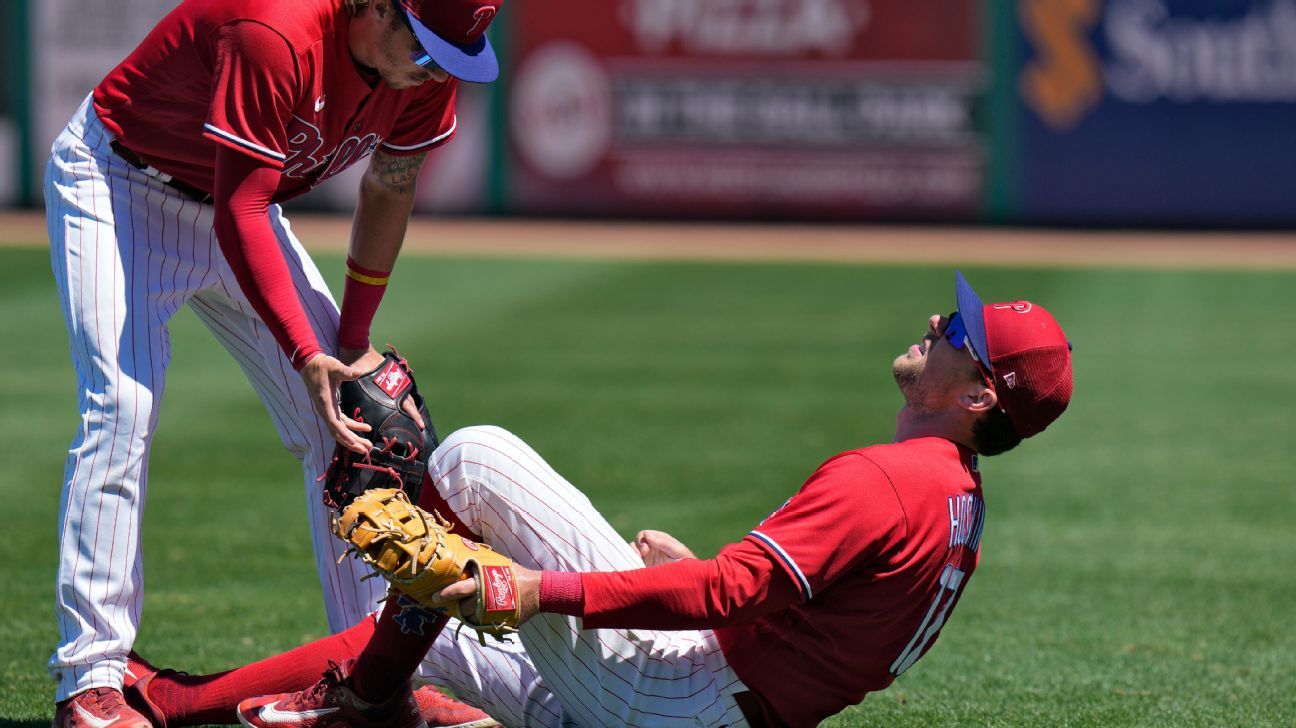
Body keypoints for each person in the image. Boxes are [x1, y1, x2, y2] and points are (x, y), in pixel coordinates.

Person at [116, 271, 1074, 727]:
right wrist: (695, 576)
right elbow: (800, 616)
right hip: (726, 701)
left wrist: (538, 593)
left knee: (475, 462)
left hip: (681, 699)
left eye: (960, 331)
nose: (937, 322)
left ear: (979, 393)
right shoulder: (955, 499)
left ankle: (370, 703)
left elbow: (729, 596)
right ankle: (175, 701)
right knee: (424, 638)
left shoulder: (885, 480)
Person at [44, 0, 505, 725]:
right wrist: (306, 350)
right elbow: (243, 205)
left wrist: (349, 344)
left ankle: (373, 682)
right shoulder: (276, 28)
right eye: (426, 47)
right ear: (379, 6)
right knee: (121, 410)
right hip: (120, 186)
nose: (434, 69)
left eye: (451, 55)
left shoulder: (424, 68)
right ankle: (91, 678)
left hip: (239, 206)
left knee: (351, 425)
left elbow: (389, 184)